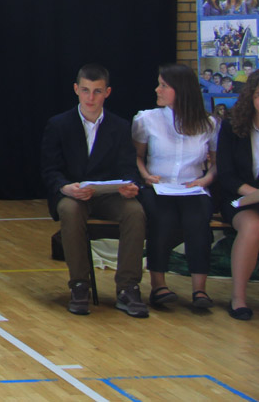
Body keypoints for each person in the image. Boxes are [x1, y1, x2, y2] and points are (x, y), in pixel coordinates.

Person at [41, 64, 148, 317]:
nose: (91, 98)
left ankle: (128, 287)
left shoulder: (119, 126)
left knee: (135, 212)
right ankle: (79, 284)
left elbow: (128, 167)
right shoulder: (59, 125)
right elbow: (49, 169)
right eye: (86, 90)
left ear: (107, 92)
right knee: (70, 210)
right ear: (76, 89)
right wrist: (65, 187)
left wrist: (131, 185)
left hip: (108, 195)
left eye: (97, 91)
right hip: (74, 194)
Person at [133, 64, 217, 310]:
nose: (157, 89)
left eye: (163, 85)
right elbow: (136, 156)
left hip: (193, 187)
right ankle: (158, 285)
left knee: (198, 220)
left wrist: (205, 180)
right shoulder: (147, 119)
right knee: (163, 218)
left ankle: (199, 290)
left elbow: (216, 164)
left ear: (181, 90)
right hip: (158, 187)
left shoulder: (209, 123)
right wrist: (146, 175)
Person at [215, 70, 259, 320]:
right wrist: (255, 194)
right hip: (238, 198)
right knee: (252, 226)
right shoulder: (232, 126)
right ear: (250, 97)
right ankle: (238, 298)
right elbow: (227, 174)